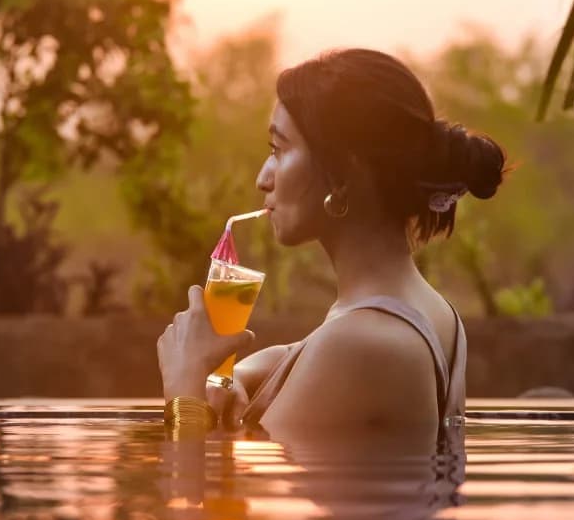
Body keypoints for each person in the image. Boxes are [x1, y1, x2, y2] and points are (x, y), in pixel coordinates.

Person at [157, 48, 506, 443]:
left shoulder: (362, 347)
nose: (262, 178)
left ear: (344, 174)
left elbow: (187, 496)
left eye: (279, 150)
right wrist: (229, 376)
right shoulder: (420, 311)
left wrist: (184, 388)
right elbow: (297, 354)